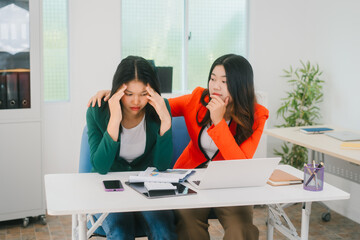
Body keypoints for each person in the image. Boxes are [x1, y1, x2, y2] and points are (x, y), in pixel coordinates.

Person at [88, 54, 269, 240]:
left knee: (240, 229)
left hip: (231, 184)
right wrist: (116, 94)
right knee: (187, 225)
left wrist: (218, 122)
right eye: (213, 78)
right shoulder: (198, 99)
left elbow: (240, 165)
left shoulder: (257, 115)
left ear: (241, 84)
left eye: (224, 81)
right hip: (193, 182)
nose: (215, 86)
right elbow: (154, 105)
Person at [86, 55, 177, 240]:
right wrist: (114, 120)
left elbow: (162, 165)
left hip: (147, 189)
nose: (136, 101)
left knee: (163, 230)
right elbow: (101, 167)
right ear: (118, 90)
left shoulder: (160, 108)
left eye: (144, 94)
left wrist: (165, 120)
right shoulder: (97, 109)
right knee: (121, 232)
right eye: (129, 94)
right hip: (110, 190)